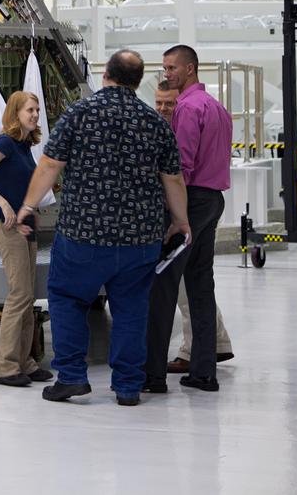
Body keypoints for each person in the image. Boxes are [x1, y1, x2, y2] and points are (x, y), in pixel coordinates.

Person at [18, 50, 189, 407]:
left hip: (84, 233)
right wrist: (180, 220)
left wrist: (29, 206)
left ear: (106, 75)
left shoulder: (80, 113)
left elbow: (50, 164)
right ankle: (128, 386)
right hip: (139, 238)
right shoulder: (154, 121)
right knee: (130, 309)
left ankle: (72, 378)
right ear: (138, 81)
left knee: (67, 299)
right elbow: (172, 177)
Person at [144, 46, 233, 393]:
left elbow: (180, 168)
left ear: (190, 69)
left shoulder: (188, 108)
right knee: (200, 285)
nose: (167, 73)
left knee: (164, 285)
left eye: (172, 68)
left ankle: (153, 375)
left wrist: (174, 216)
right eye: (165, 68)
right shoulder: (217, 108)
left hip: (191, 201)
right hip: (213, 200)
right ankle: (203, 371)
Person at [0, 91, 54, 387]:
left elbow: (20, 184)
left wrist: (32, 213)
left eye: (37, 110)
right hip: (6, 227)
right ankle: (4, 366)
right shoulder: (4, 142)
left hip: (24, 226)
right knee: (19, 295)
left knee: (28, 297)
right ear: (16, 113)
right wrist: (2, 203)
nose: (35, 115)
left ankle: (26, 362)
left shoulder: (24, 145)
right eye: (30, 110)